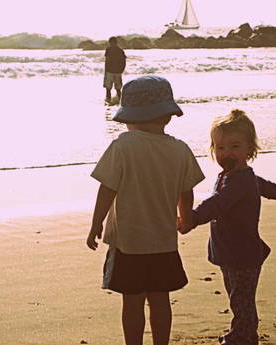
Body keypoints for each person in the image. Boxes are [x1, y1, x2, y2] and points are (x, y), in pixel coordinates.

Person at [86, 75, 205, 345]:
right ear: (167, 116)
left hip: (129, 243)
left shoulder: (122, 146)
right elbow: (186, 192)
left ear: (129, 117)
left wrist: (96, 224)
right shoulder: (180, 149)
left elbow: (107, 189)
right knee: (160, 299)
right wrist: (186, 219)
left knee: (133, 302)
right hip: (164, 241)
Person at [179, 109, 276, 345]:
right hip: (231, 251)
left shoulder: (239, 180)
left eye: (234, 146)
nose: (226, 153)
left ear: (249, 149)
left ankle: (244, 336)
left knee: (241, 299)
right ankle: (242, 331)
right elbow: (272, 189)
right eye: (220, 148)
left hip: (241, 252)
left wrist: (192, 218)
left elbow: (217, 204)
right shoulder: (235, 176)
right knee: (237, 297)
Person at [104, 36, 126, 103]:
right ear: (116, 42)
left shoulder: (108, 50)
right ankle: (120, 102)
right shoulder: (120, 50)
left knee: (108, 89)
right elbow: (124, 61)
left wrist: (105, 72)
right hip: (117, 72)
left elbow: (106, 61)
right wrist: (121, 70)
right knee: (118, 89)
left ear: (110, 42)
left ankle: (108, 102)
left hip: (110, 72)